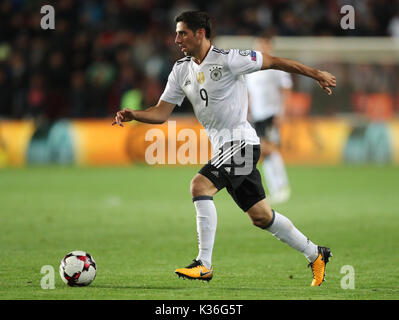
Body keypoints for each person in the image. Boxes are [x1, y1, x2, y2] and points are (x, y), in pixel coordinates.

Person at [112, 11, 336, 286]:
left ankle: (204, 264)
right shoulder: (181, 70)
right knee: (261, 216)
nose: (176, 39)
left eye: (182, 33)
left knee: (199, 186)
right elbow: (160, 113)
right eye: (176, 33)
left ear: (200, 33)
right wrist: (135, 114)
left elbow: (276, 62)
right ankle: (316, 254)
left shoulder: (230, 59)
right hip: (224, 149)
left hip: (242, 143)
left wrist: (316, 74)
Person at [245, 33, 292, 204]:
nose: (260, 48)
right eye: (258, 45)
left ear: (269, 47)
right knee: (264, 152)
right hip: (257, 115)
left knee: (269, 149)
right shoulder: (251, 69)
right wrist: (247, 113)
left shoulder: (276, 66)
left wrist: (282, 113)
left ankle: (282, 187)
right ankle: (276, 189)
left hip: (271, 114)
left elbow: (286, 90)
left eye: (263, 45)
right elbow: (250, 94)